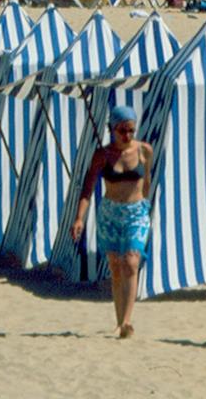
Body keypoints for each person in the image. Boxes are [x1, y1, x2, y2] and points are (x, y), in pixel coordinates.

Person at [71, 106, 152, 339]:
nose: (127, 135)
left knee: (131, 261)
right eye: (122, 131)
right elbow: (87, 188)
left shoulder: (145, 151)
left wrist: (144, 206)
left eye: (131, 130)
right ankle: (119, 322)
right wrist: (79, 218)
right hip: (110, 213)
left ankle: (127, 320)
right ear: (112, 129)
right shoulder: (102, 155)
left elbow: (146, 181)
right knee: (116, 267)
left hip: (136, 212)